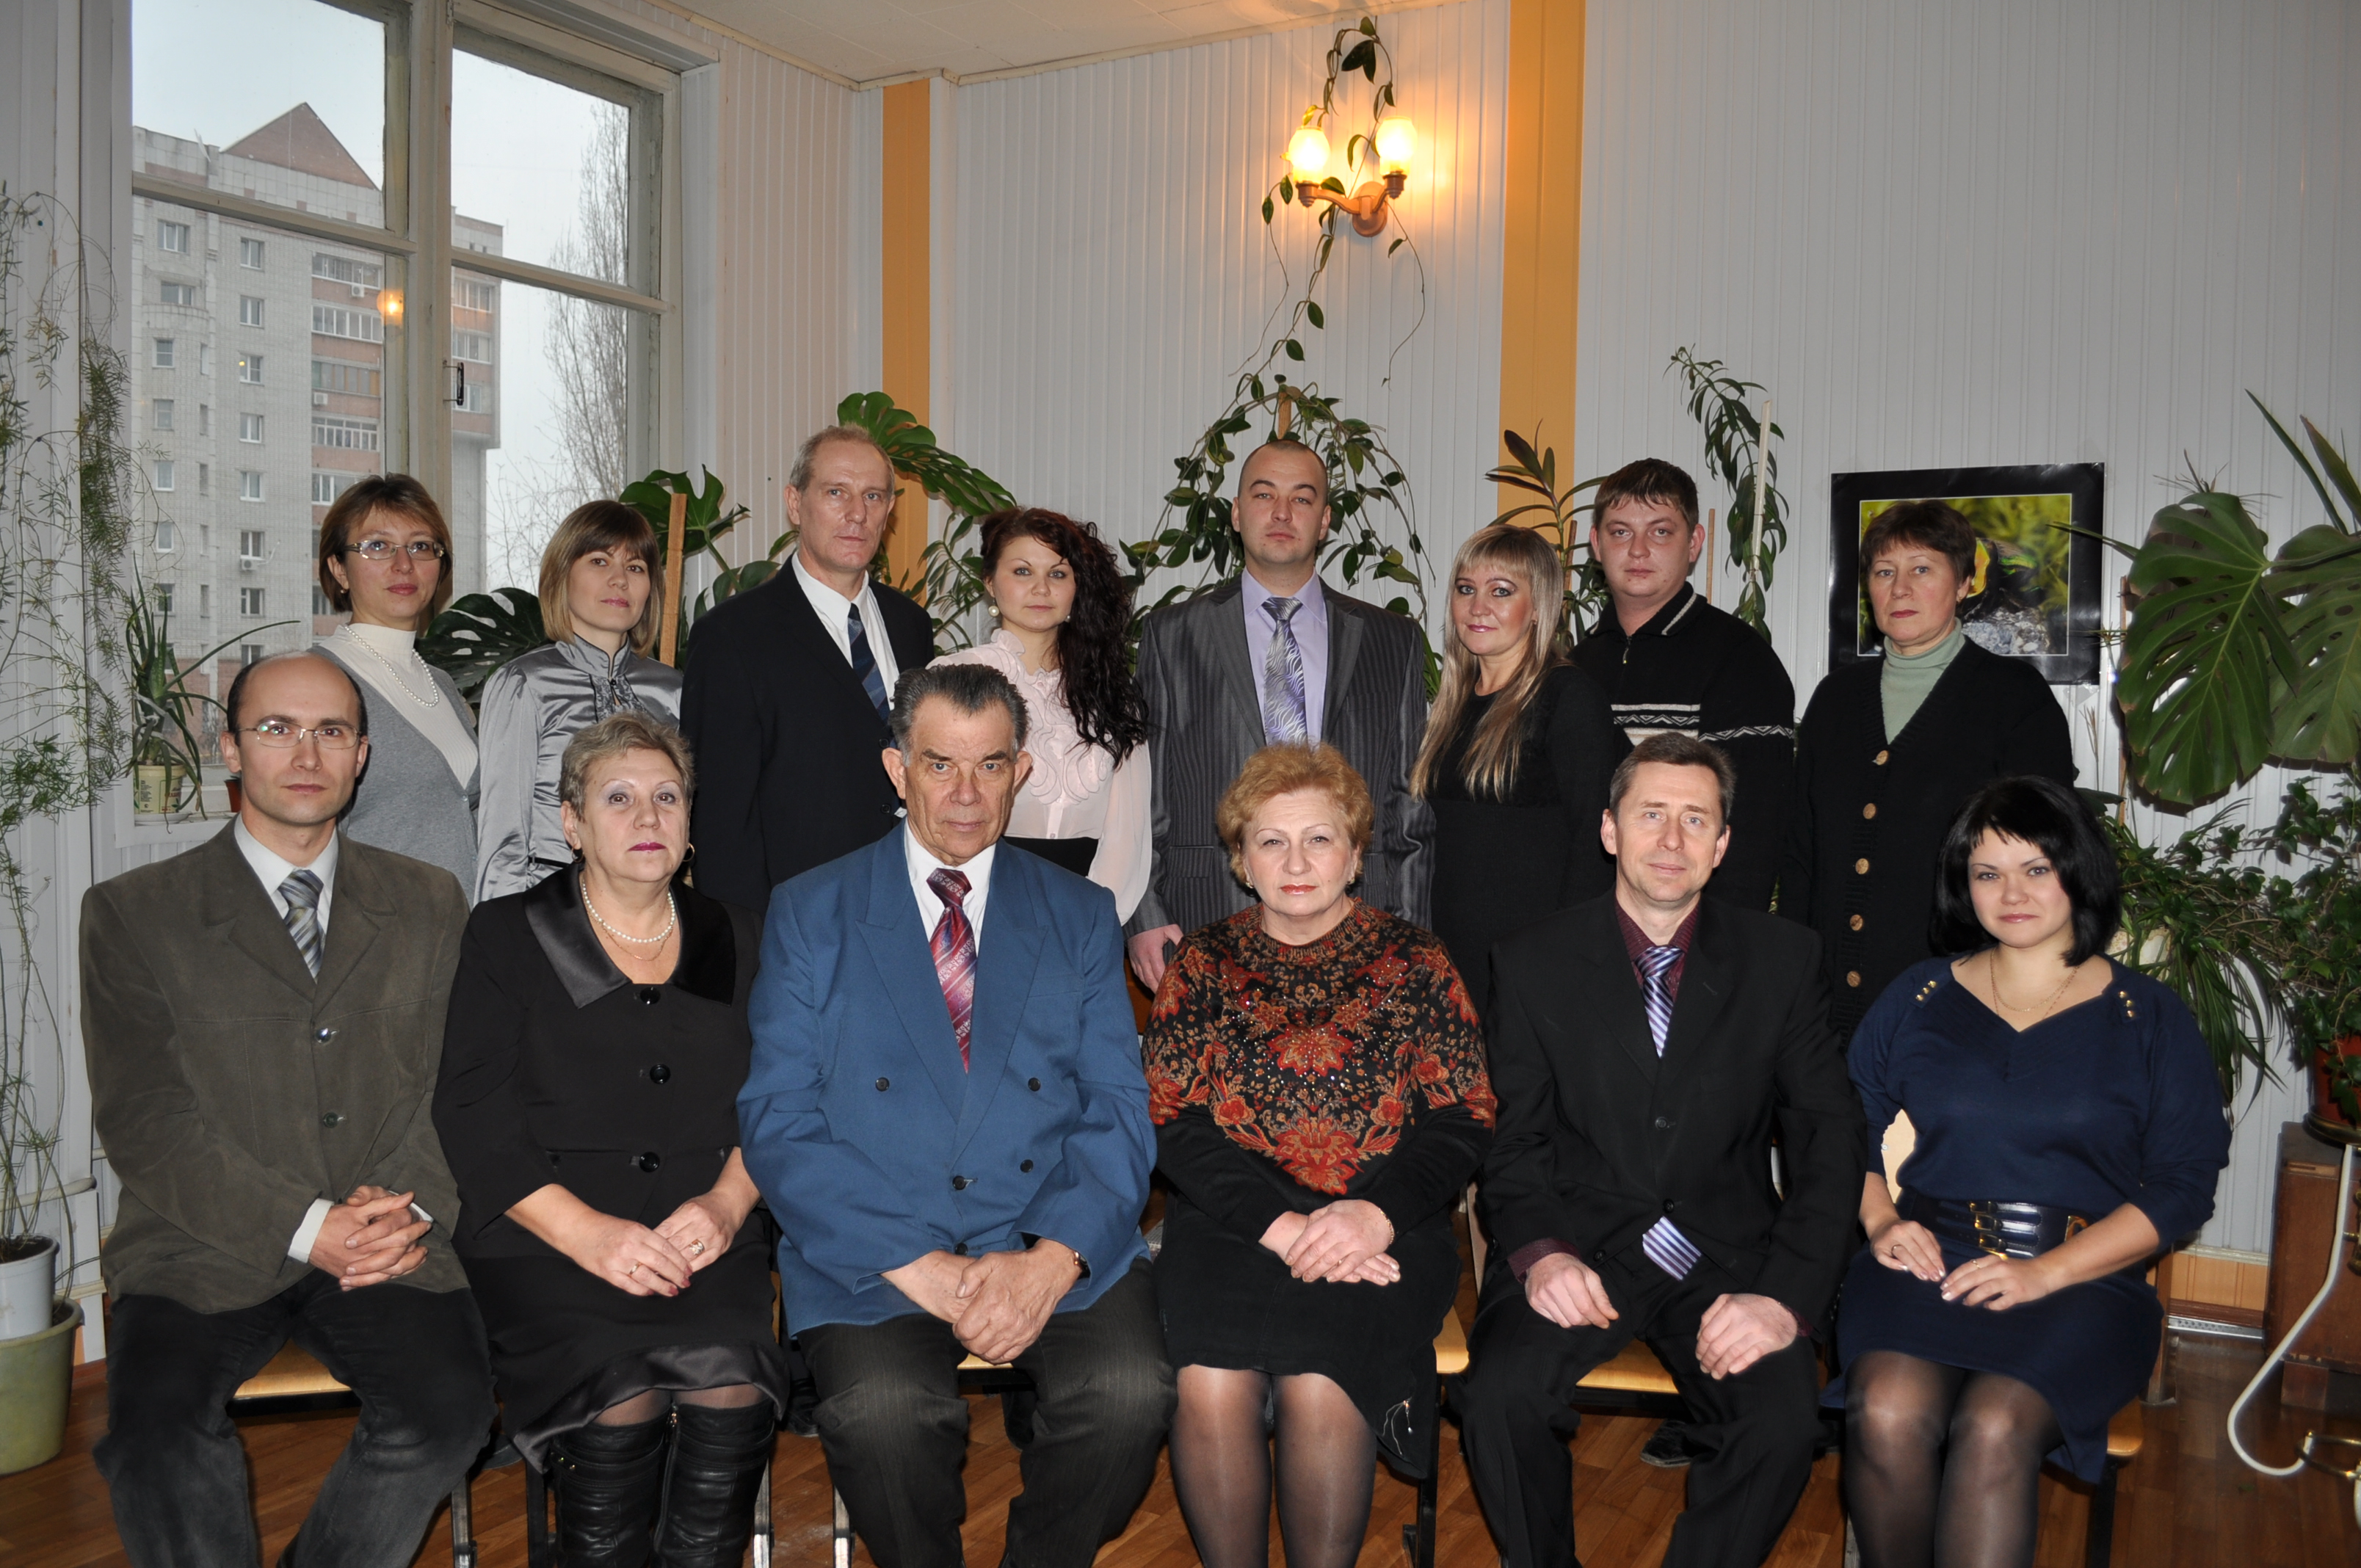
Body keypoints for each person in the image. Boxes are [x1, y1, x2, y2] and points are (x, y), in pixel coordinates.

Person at [736, 663, 1173, 1568]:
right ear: (897, 769)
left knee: (1131, 1393)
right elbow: (778, 1118)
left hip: (1045, 1228)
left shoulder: (1080, 913)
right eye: (940, 765)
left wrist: (1052, 1262)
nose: (966, 794)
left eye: (990, 765)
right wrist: (920, 1266)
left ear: (1022, 772)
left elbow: (1119, 1108)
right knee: (885, 1414)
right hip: (878, 1247)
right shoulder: (813, 912)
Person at [82, 650, 493, 1568]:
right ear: (230, 749)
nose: (306, 754)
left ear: (362, 756)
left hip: (388, 1230)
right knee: (154, 1443)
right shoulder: (134, 912)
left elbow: (455, 1084)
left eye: (331, 731)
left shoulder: (429, 901)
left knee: (446, 1417)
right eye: (276, 729)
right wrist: (310, 1228)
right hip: (202, 1239)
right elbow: (146, 1120)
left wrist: (407, 1211)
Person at [1455, 733, 1865, 1568]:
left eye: (1695, 820)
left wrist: (1784, 1299)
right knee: (1498, 1398)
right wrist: (1540, 1255)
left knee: (1782, 1423)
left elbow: (1831, 1139)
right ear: (1610, 830)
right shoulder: (1530, 961)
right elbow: (1513, 1139)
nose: (1672, 839)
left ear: (1722, 844)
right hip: (1579, 1243)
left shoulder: (1784, 962)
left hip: (1725, 1257)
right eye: (1651, 815)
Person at [1833, 777, 2229, 1568]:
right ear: (1963, 884)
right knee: (1885, 1408)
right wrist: (1881, 1221)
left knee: (1995, 1426)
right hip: (1929, 1262)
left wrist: (2044, 1274)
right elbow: (1840, 1128)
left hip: (2083, 1280)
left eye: (2036, 868)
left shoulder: (2148, 1017)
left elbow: (2183, 1186)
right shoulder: (1919, 996)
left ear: (2077, 872)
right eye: (1988, 873)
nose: (2011, 893)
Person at [434, 712, 783, 1567]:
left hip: (706, 1234)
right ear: (572, 823)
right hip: (546, 1237)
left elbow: (781, 1099)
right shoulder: (506, 935)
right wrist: (589, 1235)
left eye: (668, 797)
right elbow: (473, 1112)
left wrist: (728, 1205)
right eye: (618, 798)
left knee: (733, 1389)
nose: (648, 817)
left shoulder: (742, 936)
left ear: (690, 820)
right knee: (618, 1397)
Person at [1145, 742, 1494, 1568]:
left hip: (1384, 1223)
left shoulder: (1417, 963)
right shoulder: (1201, 965)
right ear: (1241, 859)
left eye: (1319, 839)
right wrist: (1281, 1226)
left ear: (1357, 854)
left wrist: (1373, 1216)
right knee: (1209, 1381)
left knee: (1319, 1380)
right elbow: (1170, 1120)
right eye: (1271, 841)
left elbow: (1464, 1116)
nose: (1296, 863)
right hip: (1233, 1223)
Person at [1125, 438, 1434, 992]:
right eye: (1264, 494)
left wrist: (1408, 933)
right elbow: (1146, 792)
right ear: (1237, 513)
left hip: (1361, 922)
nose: (1283, 513)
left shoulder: (1393, 640)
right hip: (1206, 914)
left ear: (1325, 520)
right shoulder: (1171, 635)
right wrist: (1144, 914)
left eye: (1302, 498)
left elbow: (1411, 803)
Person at [1780, 499, 2075, 1039]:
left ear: (1964, 583)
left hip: (1959, 1013)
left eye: (1922, 569)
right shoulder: (1835, 700)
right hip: (1827, 1017)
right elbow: (1802, 853)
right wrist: (1794, 990)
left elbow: (2046, 865)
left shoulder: (2015, 699)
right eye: (1883, 572)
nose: (1900, 589)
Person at [681, 426, 935, 911]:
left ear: (889, 510)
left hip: (911, 908)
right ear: (795, 504)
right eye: (837, 492)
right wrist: (752, 940)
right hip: (798, 921)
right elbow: (720, 820)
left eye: (873, 496)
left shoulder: (911, 625)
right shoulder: (732, 636)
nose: (857, 513)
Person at [1412, 523, 1625, 1021]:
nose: (1478, 607)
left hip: (1535, 969)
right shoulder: (1451, 706)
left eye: (1501, 591)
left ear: (1538, 608)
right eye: (1466, 589)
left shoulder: (1569, 698)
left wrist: (1564, 966)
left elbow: (1594, 847)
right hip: (1451, 961)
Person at [1567, 459, 1795, 912]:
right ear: (1596, 544)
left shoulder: (1741, 660)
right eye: (1620, 532)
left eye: (1660, 532)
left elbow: (1752, 835)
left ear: (1694, 543)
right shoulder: (1573, 666)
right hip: (1585, 930)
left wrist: (1716, 945)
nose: (1637, 550)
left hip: (1691, 933)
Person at [931, 507, 1153, 921]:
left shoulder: (1113, 695)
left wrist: (1094, 922)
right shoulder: (950, 678)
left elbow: (1129, 837)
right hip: (976, 908)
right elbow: (933, 816)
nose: (1041, 588)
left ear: (1077, 588)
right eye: (1022, 571)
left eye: (1058, 573)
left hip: (1087, 912)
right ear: (990, 583)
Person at [473, 501, 683, 902]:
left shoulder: (673, 691)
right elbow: (503, 837)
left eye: (635, 567)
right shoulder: (525, 684)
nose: (619, 580)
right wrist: (501, 930)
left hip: (653, 909)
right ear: (561, 575)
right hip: (549, 906)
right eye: (600, 562)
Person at [313, 473, 480, 894]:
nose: (404, 564)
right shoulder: (319, 683)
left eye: (421, 546)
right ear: (339, 569)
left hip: (466, 926)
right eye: (377, 546)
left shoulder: (441, 683)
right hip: (379, 928)